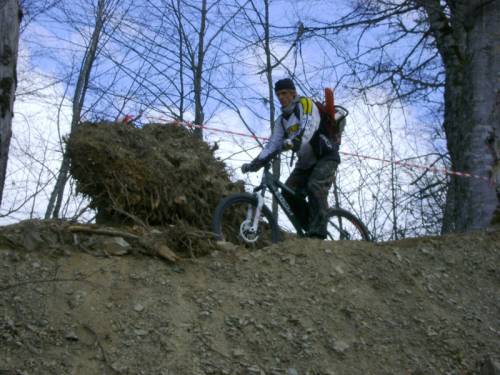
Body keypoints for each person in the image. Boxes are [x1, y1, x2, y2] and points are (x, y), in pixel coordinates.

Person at [241, 78, 340, 239]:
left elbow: (309, 127)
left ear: (293, 93)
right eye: (278, 94)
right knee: (288, 193)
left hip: (326, 156)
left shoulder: (305, 104)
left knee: (315, 186)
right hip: (306, 163)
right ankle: (309, 226)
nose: (281, 97)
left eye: (284, 93)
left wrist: (295, 141)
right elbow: (272, 145)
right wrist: (255, 163)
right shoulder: (281, 121)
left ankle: (319, 232)